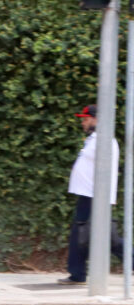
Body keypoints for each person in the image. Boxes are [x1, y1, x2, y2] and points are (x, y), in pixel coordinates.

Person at [58, 104, 122, 285]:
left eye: (86, 119)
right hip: (89, 195)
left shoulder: (104, 140)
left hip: (95, 197)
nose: (83, 123)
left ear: (96, 119)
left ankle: (77, 275)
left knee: (107, 239)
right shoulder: (95, 139)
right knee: (87, 236)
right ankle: (77, 274)